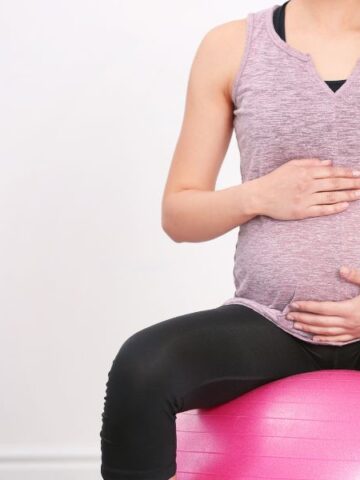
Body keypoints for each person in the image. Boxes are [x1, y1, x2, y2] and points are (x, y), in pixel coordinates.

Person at [100, 1, 360, 479]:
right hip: (271, 323)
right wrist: (262, 194)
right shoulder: (233, 46)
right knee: (144, 365)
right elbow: (179, 215)